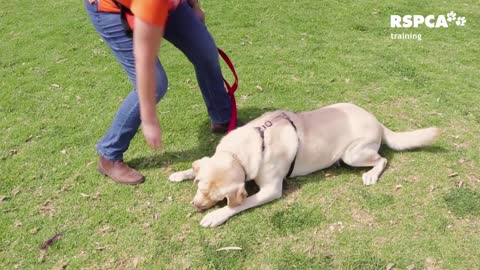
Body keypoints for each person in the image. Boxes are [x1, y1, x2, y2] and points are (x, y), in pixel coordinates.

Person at [84, 0, 237, 185]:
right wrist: (149, 119)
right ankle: (109, 154)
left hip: (167, 4)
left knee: (204, 50)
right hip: (114, 10)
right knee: (155, 83)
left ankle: (223, 117)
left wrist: (194, 6)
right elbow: (145, 59)